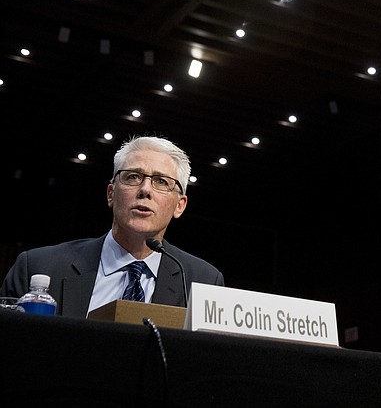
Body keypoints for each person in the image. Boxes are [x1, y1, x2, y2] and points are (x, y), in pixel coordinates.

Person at [1, 135, 224, 317]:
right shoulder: (39, 266)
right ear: (111, 194)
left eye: (161, 182)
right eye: (133, 177)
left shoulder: (202, 281)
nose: (145, 189)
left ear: (180, 205)